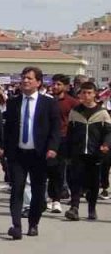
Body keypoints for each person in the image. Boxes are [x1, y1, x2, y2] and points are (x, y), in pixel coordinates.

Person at [2, 66, 62, 240]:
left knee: (37, 191)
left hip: (39, 154)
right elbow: (9, 128)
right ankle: (16, 225)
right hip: (18, 154)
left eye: (29, 78)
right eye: (23, 78)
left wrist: (52, 148)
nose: (25, 81)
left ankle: (33, 223)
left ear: (38, 82)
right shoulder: (13, 102)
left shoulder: (48, 103)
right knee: (17, 189)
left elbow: (55, 129)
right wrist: (4, 148)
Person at [62, 82, 110, 221]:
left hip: (95, 153)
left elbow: (108, 132)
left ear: (95, 94)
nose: (86, 95)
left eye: (89, 93)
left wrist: (106, 144)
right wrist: (67, 151)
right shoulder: (75, 112)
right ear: (80, 94)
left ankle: (91, 208)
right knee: (75, 180)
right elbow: (69, 133)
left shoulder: (102, 113)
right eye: (83, 92)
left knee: (93, 182)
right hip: (77, 152)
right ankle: (74, 207)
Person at [48, 75, 79, 213]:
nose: (55, 86)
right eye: (54, 84)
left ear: (66, 87)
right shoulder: (47, 101)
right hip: (47, 140)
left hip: (64, 139)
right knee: (48, 169)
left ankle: (57, 199)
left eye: (59, 84)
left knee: (60, 170)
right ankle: (50, 197)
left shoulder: (73, 103)